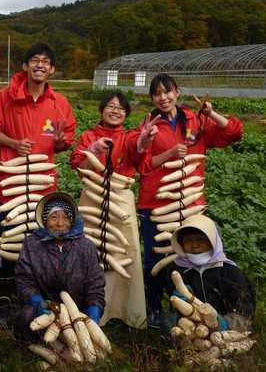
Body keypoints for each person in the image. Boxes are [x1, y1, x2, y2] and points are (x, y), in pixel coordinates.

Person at [136, 73, 243, 328]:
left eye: (167, 91)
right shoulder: (149, 124)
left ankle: (191, 305)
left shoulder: (197, 120)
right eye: (157, 93)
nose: (163, 97)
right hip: (156, 202)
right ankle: (154, 307)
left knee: (192, 255)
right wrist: (168, 153)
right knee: (155, 258)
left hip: (190, 201)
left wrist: (211, 112)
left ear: (177, 92)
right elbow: (142, 164)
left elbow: (233, 133)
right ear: (152, 98)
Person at [0, 43, 77, 325]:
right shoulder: (6, 96)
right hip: (11, 182)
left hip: (43, 187)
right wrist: (13, 143)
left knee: (40, 242)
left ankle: (35, 297)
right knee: (7, 239)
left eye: (45, 61)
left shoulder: (59, 103)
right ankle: (3, 297)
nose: (39, 65)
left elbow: (66, 140)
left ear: (51, 69)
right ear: (24, 66)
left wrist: (61, 144)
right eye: (34, 60)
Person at [70, 92, 158, 328]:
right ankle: (92, 308)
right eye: (110, 106)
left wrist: (145, 140)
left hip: (121, 198)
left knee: (124, 253)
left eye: (121, 108)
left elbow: (139, 151)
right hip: (93, 198)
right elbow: (80, 167)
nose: (115, 111)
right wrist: (94, 149)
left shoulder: (130, 136)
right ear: (101, 110)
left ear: (126, 114)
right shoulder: (88, 136)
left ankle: (122, 311)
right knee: (91, 252)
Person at [14, 191, 105, 343]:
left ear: (73, 220)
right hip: (45, 312)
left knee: (82, 342)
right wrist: (38, 302)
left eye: (66, 218)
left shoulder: (85, 246)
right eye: (54, 217)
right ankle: (31, 348)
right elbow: (24, 280)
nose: (60, 224)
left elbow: (95, 283)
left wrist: (94, 310)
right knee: (25, 315)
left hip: (77, 312)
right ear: (45, 219)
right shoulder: (32, 244)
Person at [165, 214, 256, 331]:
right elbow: (173, 302)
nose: (194, 245)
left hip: (225, 326)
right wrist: (181, 301)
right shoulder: (177, 270)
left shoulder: (230, 271)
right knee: (169, 322)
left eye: (200, 239)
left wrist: (226, 323)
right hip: (191, 322)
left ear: (213, 241)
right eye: (188, 240)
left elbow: (245, 310)